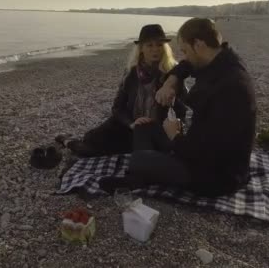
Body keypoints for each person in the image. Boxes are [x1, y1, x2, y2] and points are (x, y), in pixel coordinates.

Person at [100, 18, 257, 197]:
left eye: (184, 50)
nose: (183, 57)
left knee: (139, 159)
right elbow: (186, 65)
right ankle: (140, 176)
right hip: (197, 149)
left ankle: (137, 177)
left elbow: (205, 154)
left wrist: (175, 136)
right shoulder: (223, 60)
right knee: (144, 127)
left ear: (198, 45)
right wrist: (171, 81)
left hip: (214, 175)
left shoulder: (230, 89)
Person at [56, 24, 187, 157]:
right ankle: (67, 140)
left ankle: (69, 141)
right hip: (129, 126)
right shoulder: (131, 73)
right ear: (141, 48)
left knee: (144, 158)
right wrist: (131, 123)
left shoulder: (172, 74)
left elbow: (182, 110)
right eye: (150, 45)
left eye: (159, 45)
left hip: (157, 131)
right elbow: (117, 107)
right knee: (90, 140)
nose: (155, 50)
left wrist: (172, 104)